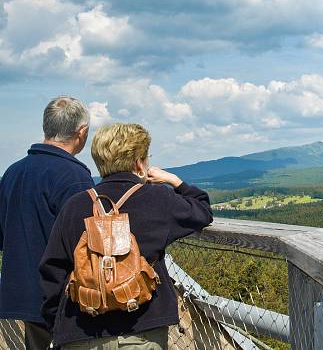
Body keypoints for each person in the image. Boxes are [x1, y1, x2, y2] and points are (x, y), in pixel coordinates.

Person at [39, 123, 213, 349]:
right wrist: (173, 180)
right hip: (141, 330)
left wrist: (57, 323)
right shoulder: (157, 199)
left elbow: (52, 271)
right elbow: (202, 211)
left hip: (80, 330)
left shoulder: (75, 205)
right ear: (139, 162)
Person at [0, 96, 94, 349]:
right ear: (81, 133)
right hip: (66, 296)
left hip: (26, 293)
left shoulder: (13, 172)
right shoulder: (75, 176)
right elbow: (88, 242)